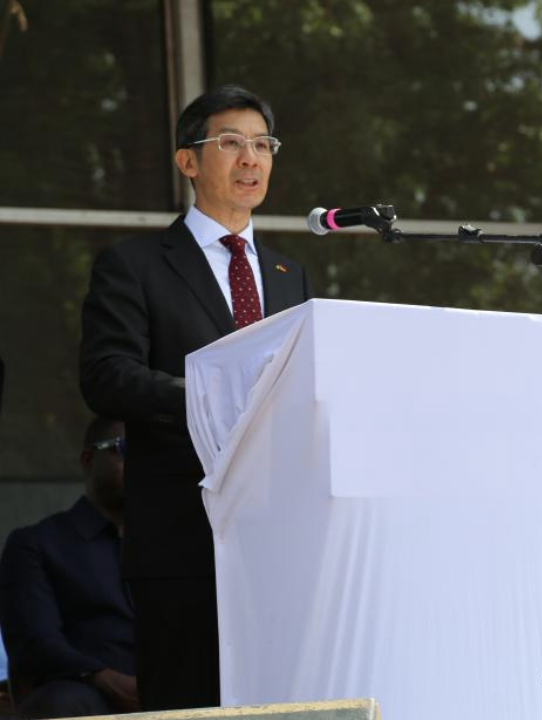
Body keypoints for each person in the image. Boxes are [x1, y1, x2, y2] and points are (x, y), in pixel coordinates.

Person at [79, 86, 312, 710]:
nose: (251, 159)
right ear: (188, 161)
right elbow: (106, 375)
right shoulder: (134, 265)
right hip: (182, 536)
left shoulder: (290, 275)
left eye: (263, 144)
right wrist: (214, 395)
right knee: (189, 703)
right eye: (231, 142)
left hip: (281, 535)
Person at [0, 418, 136, 717]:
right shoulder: (35, 544)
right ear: (88, 460)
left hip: (170, 691)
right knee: (62, 703)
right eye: (125, 449)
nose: (140, 463)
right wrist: (104, 677)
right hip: (87, 695)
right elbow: (35, 643)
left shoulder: (171, 545)